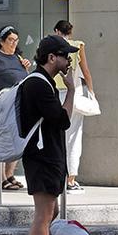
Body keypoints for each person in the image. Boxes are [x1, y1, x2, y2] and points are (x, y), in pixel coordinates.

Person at [12, 34, 78, 235]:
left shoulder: (41, 82)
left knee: (50, 213)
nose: (69, 61)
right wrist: (71, 89)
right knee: (43, 215)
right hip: (43, 157)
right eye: (65, 56)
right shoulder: (39, 84)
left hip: (44, 157)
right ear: (52, 58)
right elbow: (62, 120)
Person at [0, 25, 32, 192]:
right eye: (10, 40)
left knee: (17, 138)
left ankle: (10, 174)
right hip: (2, 105)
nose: (13, 43)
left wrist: (26, 68)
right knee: (3, 138)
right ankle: (1, 177)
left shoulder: (18, 57)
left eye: (16, 40)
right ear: (2, 41)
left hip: (18, 105)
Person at [52, 20, 95, 193]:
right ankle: (71, 180)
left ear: (56, 30)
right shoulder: (78, 46)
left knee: (56, 136)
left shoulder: (52, 45)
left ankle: (57, 177)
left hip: (55, 93)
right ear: (71, 31)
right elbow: (85, 71)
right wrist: (91, 92)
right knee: (74, 137)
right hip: (73, 93)